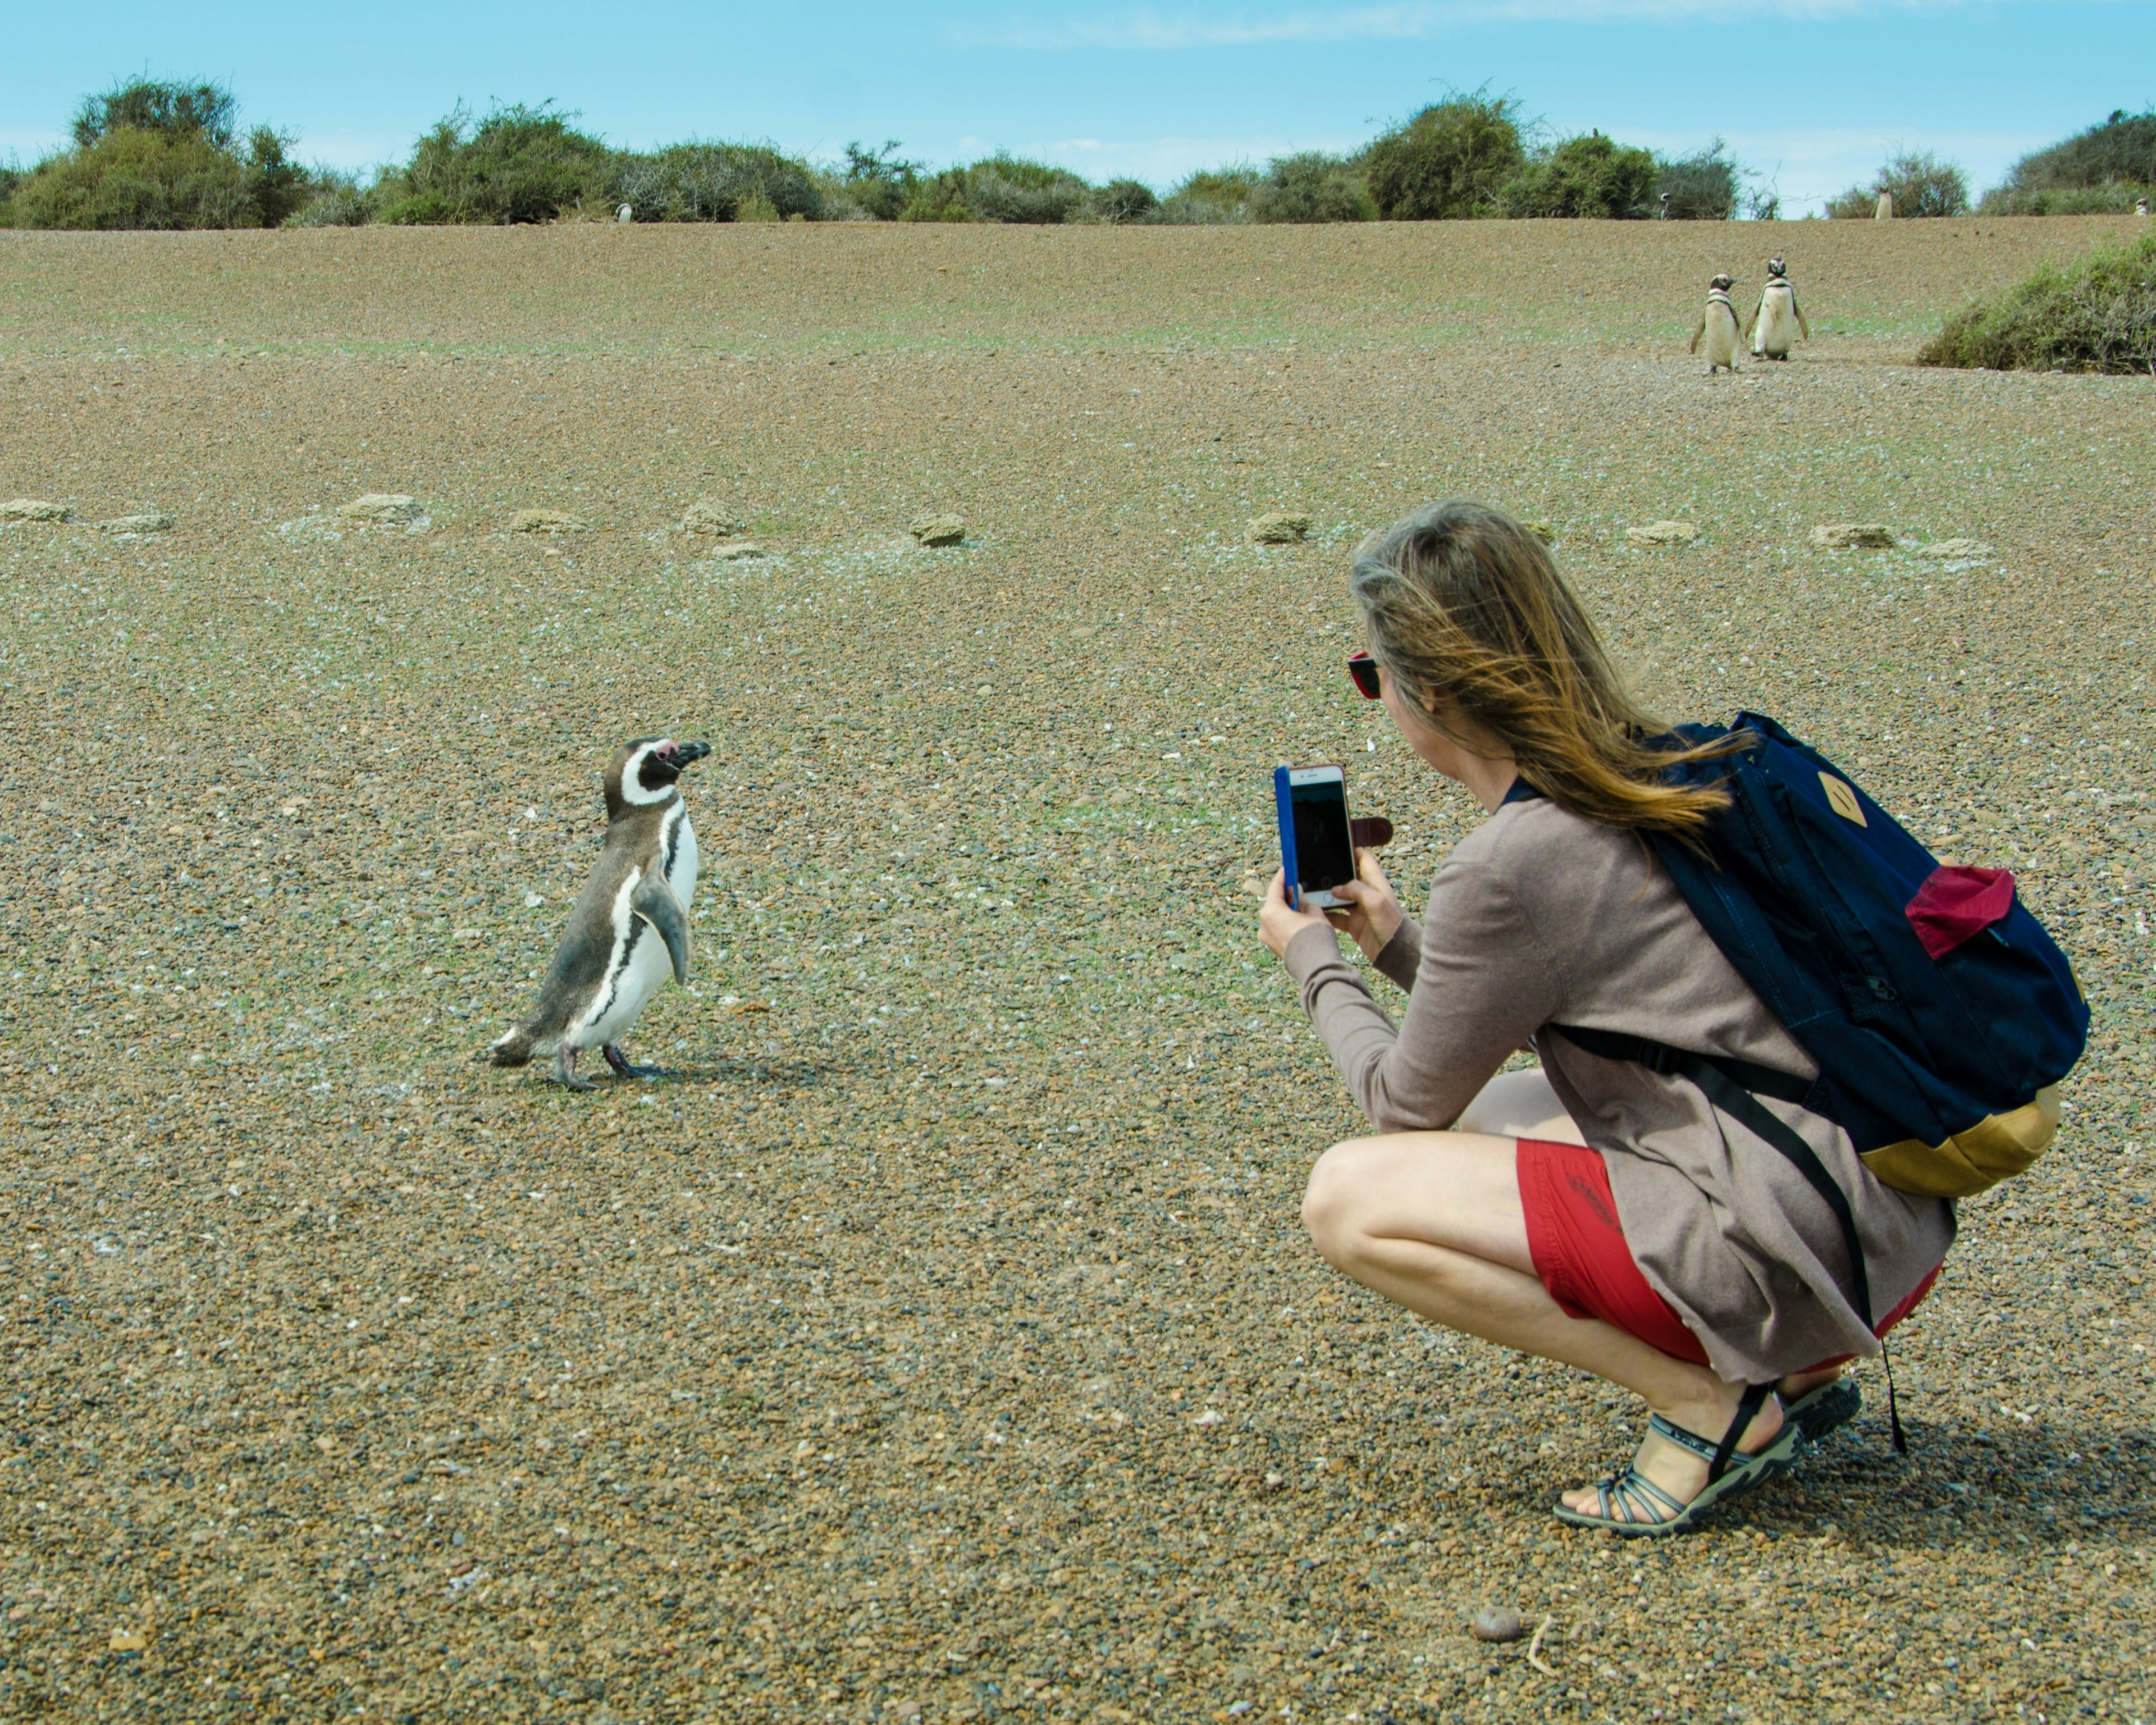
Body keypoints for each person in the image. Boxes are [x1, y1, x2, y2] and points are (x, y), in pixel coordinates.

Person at [1258, 500, 1952, 1535]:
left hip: (1795, 1248)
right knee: (1494, 1114)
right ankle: (1797, 1376)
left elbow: (1403, 1102)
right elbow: (1610, 1011)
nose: (1378, 699)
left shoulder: (1513, 863)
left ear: (1431, 691)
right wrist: (1396, 943)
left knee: (1350, 1196)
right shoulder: (1666, 765)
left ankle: (1708, 1405)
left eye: (1374, 676)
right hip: (1879, 1210)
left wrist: (1310, 953)